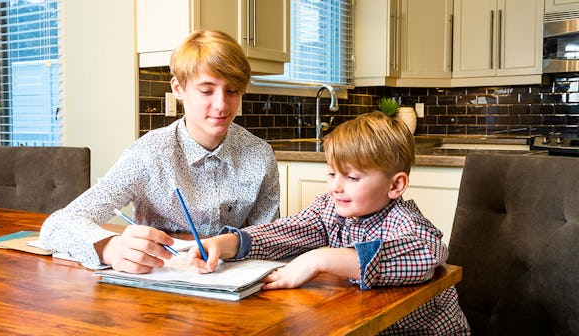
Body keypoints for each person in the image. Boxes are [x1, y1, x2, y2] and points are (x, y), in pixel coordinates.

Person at [188, 112, 471, 335]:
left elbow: (424, 254)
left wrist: (321, 258)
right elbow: (287, 231)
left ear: (395, 185)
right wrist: (229, 243)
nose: (336, 186)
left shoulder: (405, 221)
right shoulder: (329, 209)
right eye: (332, 174)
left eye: (352, 178)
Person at [40, 30, 280, 273]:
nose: (221, 105)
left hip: (239, 290)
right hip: (159, 289)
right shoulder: (148, 154)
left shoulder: (260, 155)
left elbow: (271, 239)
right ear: (178, 88)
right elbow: (57, 225)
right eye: (206, 91)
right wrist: (110, 249)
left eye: (232, 91)